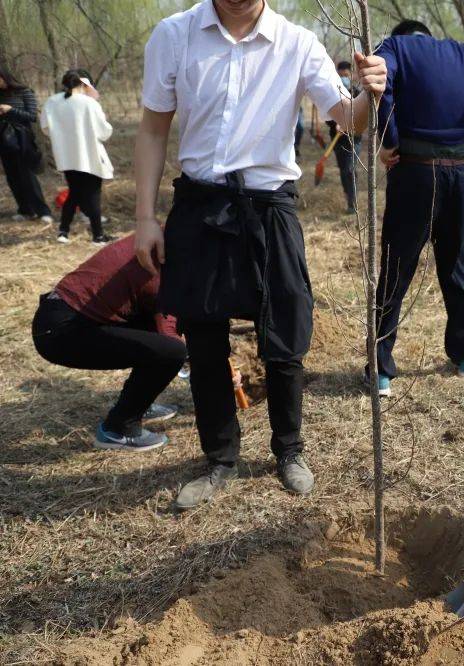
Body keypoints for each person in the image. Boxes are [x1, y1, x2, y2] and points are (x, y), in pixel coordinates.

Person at [134, 0, 386, 510]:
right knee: (203, 337)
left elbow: (350, 121)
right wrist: (144, 217)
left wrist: (371, 91)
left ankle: (288, 450)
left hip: (270, 206)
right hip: (200, 204)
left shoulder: (297, 44)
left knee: (285, 330)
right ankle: (219, 456)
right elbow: (153, 128)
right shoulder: (174, 36)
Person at [371, 19, 464, 396]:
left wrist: (390, 140)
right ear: (428, 36)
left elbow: (381, 84)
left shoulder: (395, 48)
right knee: (455, 264)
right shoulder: (463, 53)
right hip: (460, 177)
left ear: (403, 36)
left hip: (415, 174)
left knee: (395, 268)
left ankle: (381, 369)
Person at [32, 235, 186, 451]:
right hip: (61, 330)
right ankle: (119, 429)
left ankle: (140, 403)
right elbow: (168, 330)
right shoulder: (163, 261)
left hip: (63, 317)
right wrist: (206, 363)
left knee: (151, 329)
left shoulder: (156, 237)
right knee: (171, 352)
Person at [41, 69, 115, 245]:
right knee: (93, 196)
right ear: (83, 84)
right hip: (89, 156)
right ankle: (98, 236)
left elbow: (45, 128)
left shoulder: (52, 102)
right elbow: (104, 132)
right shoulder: (89, 103)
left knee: (74, 193)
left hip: (66, 157)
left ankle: (63, 232)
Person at [0, 66, 53, 223]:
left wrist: (10, 110)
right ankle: (25, 210)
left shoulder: (24, 91)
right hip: (3, 140)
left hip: (22, 139)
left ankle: (43, 211)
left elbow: (31, 116)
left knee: (27, 176)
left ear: (4, 77)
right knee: (12, 177)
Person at [328, 60, 362, 214]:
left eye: (346, 76)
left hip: (354, 138)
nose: (343, 79)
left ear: (351, 75)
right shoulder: (332, 93)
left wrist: (349, 124)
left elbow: (362, 116)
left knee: (350, 169)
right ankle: (348, 196)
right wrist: (334, 124)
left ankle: (352, 203)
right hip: (337, 139)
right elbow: (328, 116)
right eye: (340, 76)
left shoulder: (357, 93)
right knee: (343, 170)